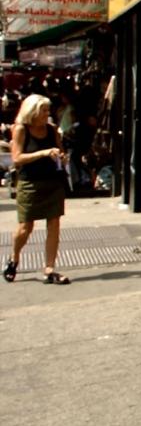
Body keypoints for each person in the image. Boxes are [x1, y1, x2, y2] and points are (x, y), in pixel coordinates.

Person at [4, 94, 71, 284]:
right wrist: (42, 153)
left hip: (52, 182)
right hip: (30, 183)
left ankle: (49, 268)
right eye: (43, 111)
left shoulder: (52, 130)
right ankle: (14, 258)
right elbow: (17, 159)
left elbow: (60, 151)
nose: (47, 114)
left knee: (54, 224)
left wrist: (62, 157)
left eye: (47, 110)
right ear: (32, 112)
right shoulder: (21, 130)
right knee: (26, 227)